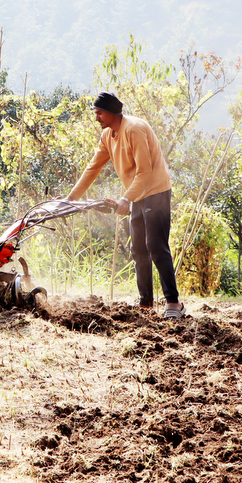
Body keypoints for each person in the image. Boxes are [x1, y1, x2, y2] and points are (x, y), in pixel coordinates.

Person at [67, 91, 185, 318]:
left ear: (112, 112)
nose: (96, 118)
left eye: (99, 113)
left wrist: (126, 198)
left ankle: (173, 303)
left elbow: (145, 170)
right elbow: (93, 167)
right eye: (95, 113)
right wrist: (71, 198)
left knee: (156, 246)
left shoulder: (134, 129)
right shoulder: (107, 136)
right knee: (138, 249)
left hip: (156, 191)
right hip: (137, 194)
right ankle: (146, 303)